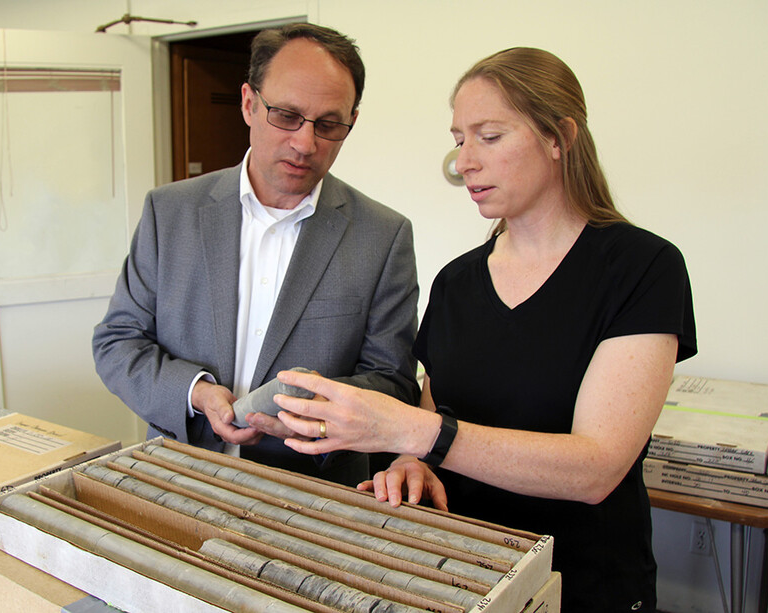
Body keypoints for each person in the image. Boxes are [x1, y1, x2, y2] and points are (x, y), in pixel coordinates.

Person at [272, 47, 696, 613]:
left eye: (489, 137)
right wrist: (408, 466)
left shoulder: (642, 267)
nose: (464, 162)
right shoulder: (457, 282)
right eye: (458, 139)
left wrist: (413, 434)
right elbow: (431, 413)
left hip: (583, 585)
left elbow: (596, 469)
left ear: (558, 137)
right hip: (462, 579)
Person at [92, 23, 420, 487]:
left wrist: (310, 415)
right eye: (286, 115)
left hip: (311, 495)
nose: (305, 144)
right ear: (248, 103)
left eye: (328, 125)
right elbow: (117, 342)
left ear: (352, 122)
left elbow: (393, 382)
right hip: (177, 477)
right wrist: (196, 393)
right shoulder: (170, 213)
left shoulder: (383, 237)